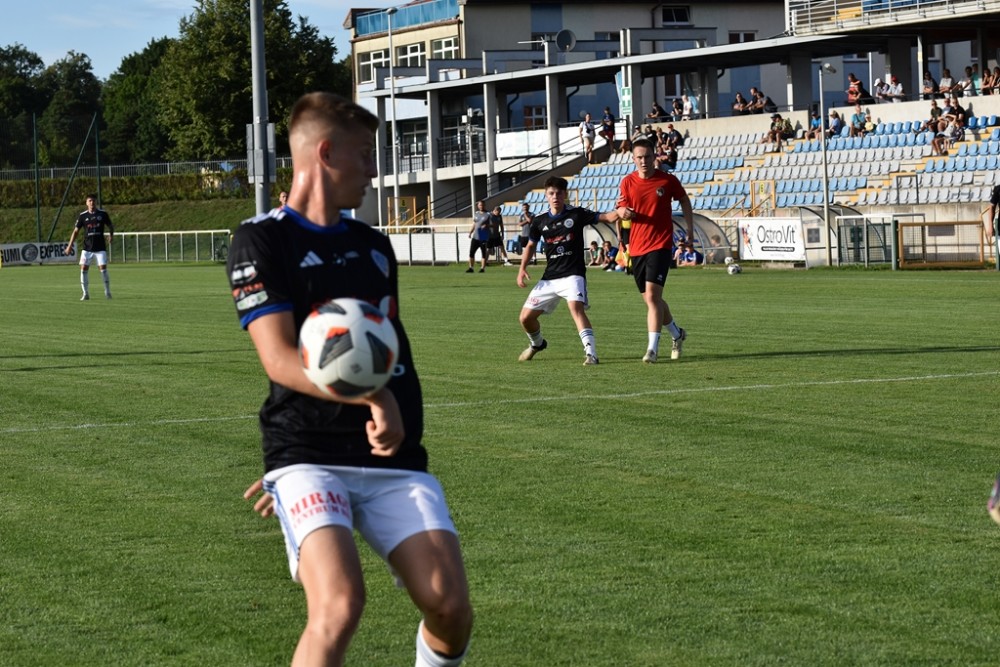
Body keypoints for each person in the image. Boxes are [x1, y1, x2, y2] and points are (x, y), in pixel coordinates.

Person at [229, 92, 472, 667]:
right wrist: (370, 402)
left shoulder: (373, 246)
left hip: (393, 460)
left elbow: (378, 353)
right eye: (364, 154)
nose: (371, 169)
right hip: (309, 455)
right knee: (339, 605)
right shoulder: (262, 239)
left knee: (450, 608)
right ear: (325, 153)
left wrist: (387, 402)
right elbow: (279, 358)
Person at [516, 176, 619, 366]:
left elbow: (606, 217)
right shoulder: (539, 221)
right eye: (551, 193)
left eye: (559, 193)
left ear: (565, 194)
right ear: (546, 195)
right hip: (550, 278)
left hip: (573, 274)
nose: (555, 197)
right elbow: (530, 246)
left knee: (575, 308)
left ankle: (591, 354)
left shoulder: (577, 214)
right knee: (525, 318)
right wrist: (522, 269)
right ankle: (537, 344)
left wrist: (620, 210)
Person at [615, 138, 694, 364]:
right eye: (639, 157)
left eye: (647, 156)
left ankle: (652, 349)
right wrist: (622, 212)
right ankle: (677, 334)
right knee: (653, 300)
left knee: (652, 297)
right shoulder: (627, 182)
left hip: (660, 244)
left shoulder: (667, 180)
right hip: (637, 247)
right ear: (633, 159)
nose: (644, 161)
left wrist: (689, 230)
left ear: (654, 156)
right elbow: (620, 208)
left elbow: (684, 200)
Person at [64, 194, 114, 300]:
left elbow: (110, 225)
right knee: (83, 269)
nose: (92, 203)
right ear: (86, 203)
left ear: (96, 202)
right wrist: (69, 246)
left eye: (94, 201)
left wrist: (111, 235)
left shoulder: (103, 214)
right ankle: (85, 293)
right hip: (87, 248)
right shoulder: (83, 216)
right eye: (90, 201)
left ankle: (107, 291)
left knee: (103, 269)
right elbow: (76, 231)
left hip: (100, 248)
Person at [467, 200, 491, 272]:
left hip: (483, 235)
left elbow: (493, 224)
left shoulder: (488, 214)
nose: (481, 206)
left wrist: (487, 225)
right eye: (480, 205)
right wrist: (470, 232)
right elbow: (474, 224)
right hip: (475, 236)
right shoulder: (476, 214)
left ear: (484, 205)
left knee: (483, 253)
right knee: (471, 252)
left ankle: (482, 268)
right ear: (478, 206)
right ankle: (471, 268)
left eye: (482, 205)